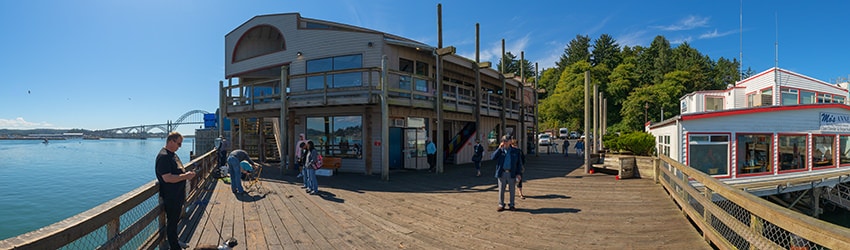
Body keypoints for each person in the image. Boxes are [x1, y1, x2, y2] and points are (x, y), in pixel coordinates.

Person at [155, 132, 195, 249]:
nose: (180, 146)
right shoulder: (164, 156)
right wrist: (186, 176)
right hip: (171, 196)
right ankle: (174, 246)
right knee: (171, 223)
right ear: (171, 141)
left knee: (175, 221)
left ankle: (175, 241)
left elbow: (178, 171)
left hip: (178, 195)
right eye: (179, 143)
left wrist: (186, 174)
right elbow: (167, 178)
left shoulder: (172, 154)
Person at [491, 135, 523, 211]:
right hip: (502, 172)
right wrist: (499, 148)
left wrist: (518, 173)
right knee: (501, 190)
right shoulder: (500, 150)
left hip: (512, 172)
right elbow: (492, 157)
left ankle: (512, 204)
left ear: (510, 141)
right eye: (503, 141)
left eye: (506, 140)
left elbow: (519, 163)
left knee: (512, 190)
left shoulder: (516, 151)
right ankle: (501, 204)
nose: (504, 142)